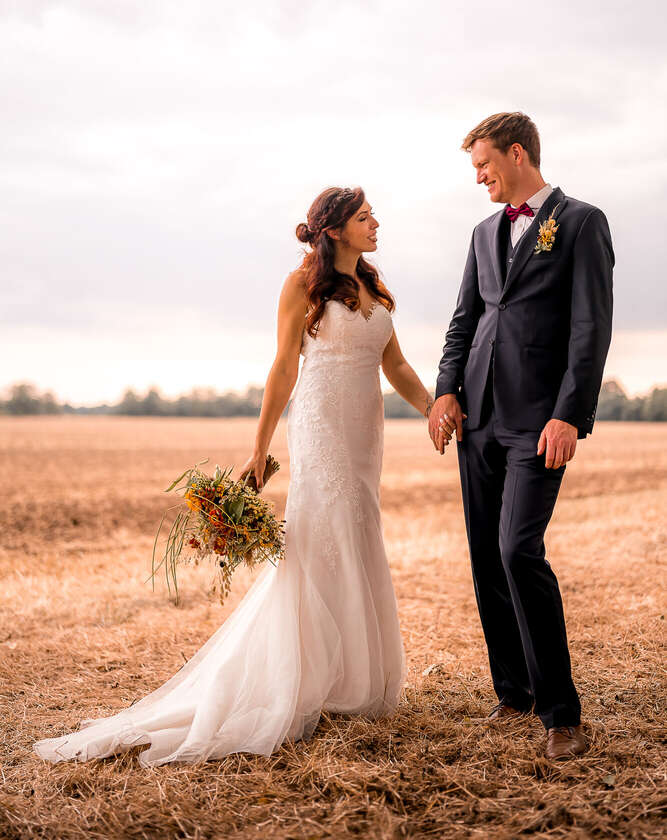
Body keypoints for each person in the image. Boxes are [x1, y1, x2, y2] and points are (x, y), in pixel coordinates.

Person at [34, 186, 433, 766]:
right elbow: (283, 366)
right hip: (321, 427)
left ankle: (354, 678)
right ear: (336, 228)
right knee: (321, 535)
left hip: (365, 433)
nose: (376, 223)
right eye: (365, 217)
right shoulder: (301, 286)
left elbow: (394, 364)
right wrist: (260, 447)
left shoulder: (374, 285)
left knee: (359, 529)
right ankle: (307, 676)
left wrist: (432, 409)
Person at [428, 112, 614, 761]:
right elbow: (463, 320)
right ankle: (512, 694)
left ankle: (560, 711)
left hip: (538, 422)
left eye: (483, 165)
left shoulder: (581, 222)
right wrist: (444, 391)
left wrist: (570, 413)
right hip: (476, 418)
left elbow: (590, 327)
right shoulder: (482, 233)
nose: (477, 177)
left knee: (516, 550)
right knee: (485, 556)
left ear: (515, 154)